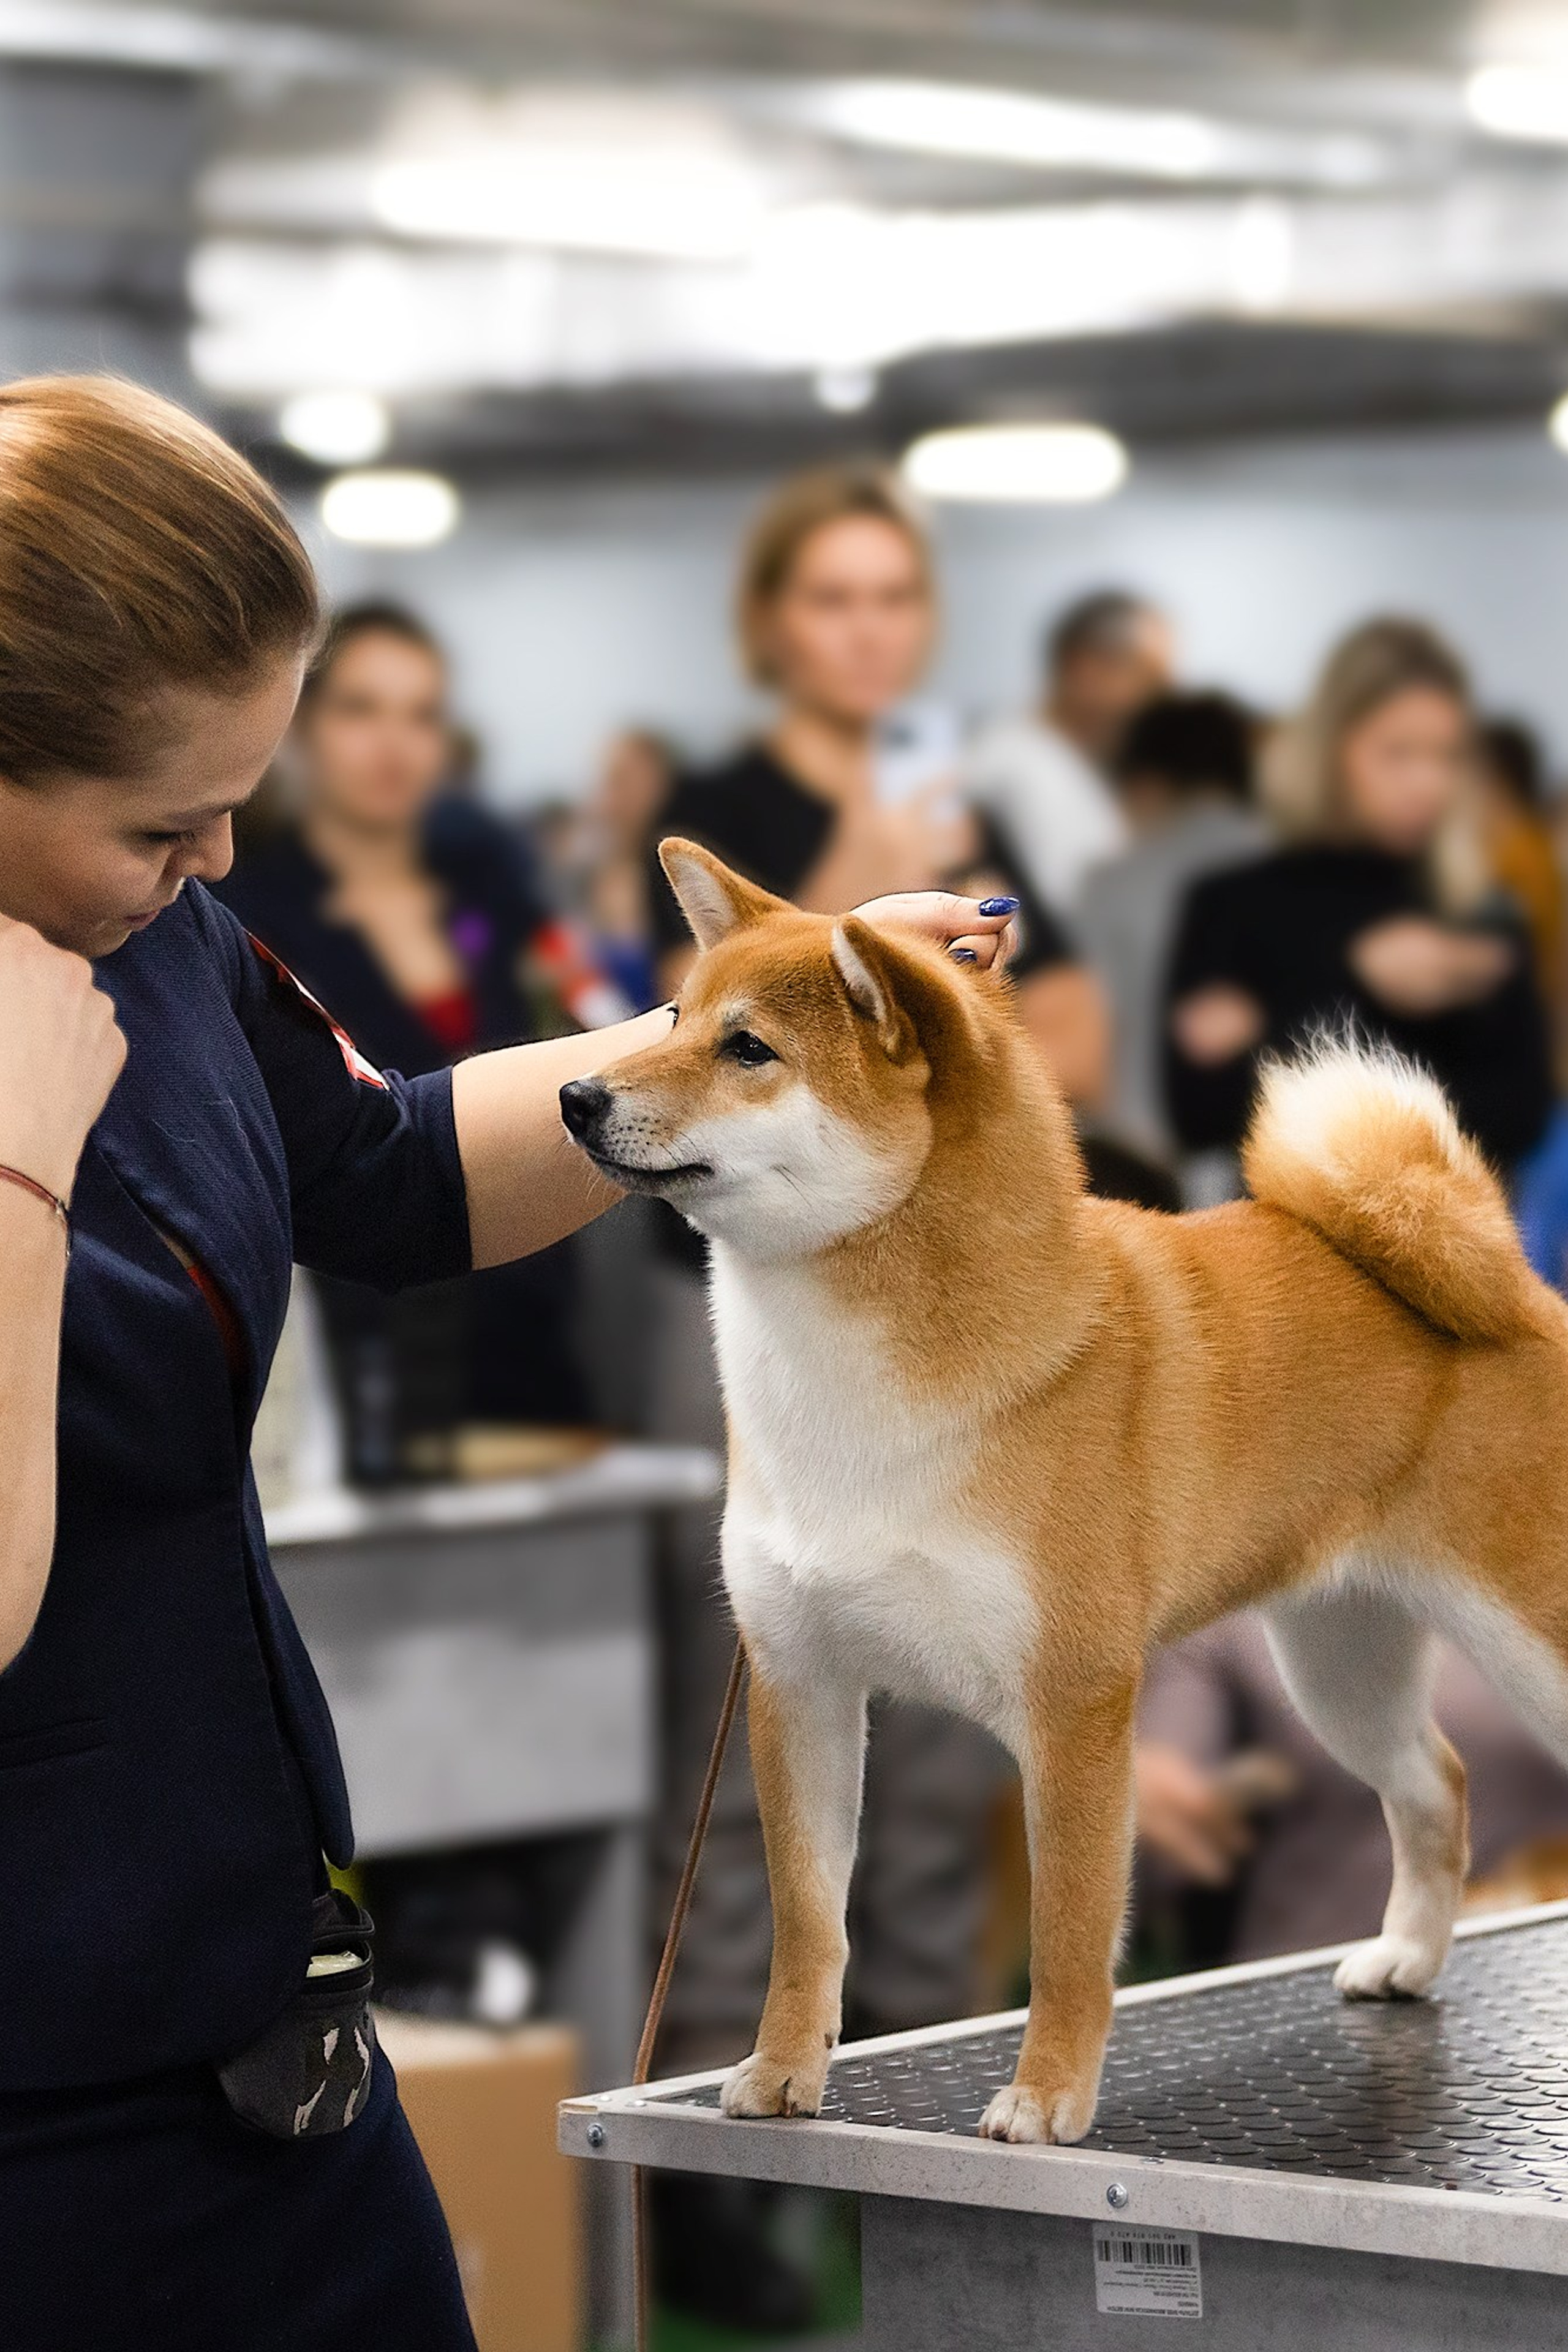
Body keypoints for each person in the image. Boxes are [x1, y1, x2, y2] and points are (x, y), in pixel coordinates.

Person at [0, 373, 1012, 2352]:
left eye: (238, 802)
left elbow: (389, 1171)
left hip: (255, 2037)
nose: (215, 855)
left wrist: (753, 1033)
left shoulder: (156, 938)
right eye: (159, 818)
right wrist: (21, 1162)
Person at [216, 602, 587, 1446]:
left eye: (422, 716)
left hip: (528, 1314)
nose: (395, 745)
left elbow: (580, 1016)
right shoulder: (245, 912)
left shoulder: (493, 889)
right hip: (364, 1349)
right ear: (302, 722)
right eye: (362, 710)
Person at [1164, 617, 1553, 1181]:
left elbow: (1520, 1116)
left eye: (1444, 756)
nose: (1426, 783)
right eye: (1398, 753)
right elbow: (1199, 1114)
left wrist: (1270, 1026)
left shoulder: (1479, 914)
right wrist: (1350, 981)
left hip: (1453, 1252)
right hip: (1285, 1254)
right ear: (1330, 751)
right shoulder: (1230, 903)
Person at [1076, 691, 1265, 1166]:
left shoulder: (1112, 883)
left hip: (1140, 1156)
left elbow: (1090, 1035)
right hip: (1272, 1157)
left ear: (1147, 782)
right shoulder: (1292, 869)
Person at [959, 588, 1175, 917]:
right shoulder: (1012, 767)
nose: (1161, 700)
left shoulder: (1085, 763)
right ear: (1085, 668)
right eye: (1148, 677)